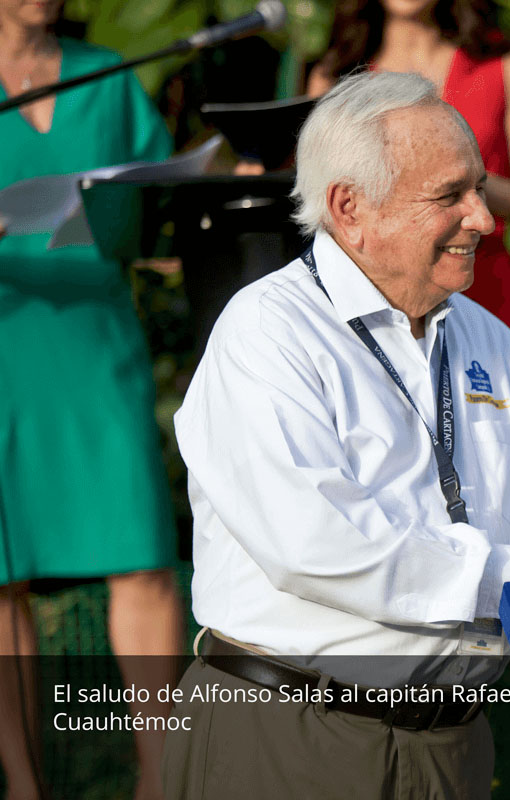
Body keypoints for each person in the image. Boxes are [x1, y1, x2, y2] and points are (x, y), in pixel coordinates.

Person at [161, 70, 510, 800]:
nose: (485, 219)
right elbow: (320, 546)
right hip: (289, 739)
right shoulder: (267, 334)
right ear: (351, 210)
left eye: (481, 187)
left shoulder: (477, 334)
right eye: (450, 196)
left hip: (451, 749)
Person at [0, 2, 184, 799]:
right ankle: (22, 785)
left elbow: (164, 209)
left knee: (142, 558)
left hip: (97, 346)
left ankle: (164, 778)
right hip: (6, 352)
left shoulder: (103, 77)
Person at [307, 0, 510, 358]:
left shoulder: (500, 61)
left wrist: (465, 185)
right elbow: (323, 202)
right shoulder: (337, 75)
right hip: (382, 300)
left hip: (483, 285)